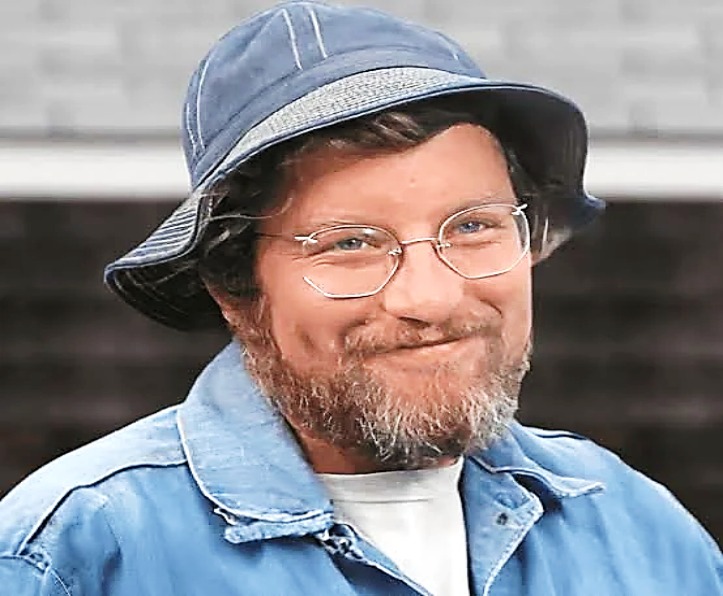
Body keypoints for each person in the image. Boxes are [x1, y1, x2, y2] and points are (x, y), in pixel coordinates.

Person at [1, 1, 721, 594]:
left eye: (473, 226)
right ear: (235, 288)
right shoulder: (78, 554)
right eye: (349, 243)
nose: (431, 298)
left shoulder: (637, 528)